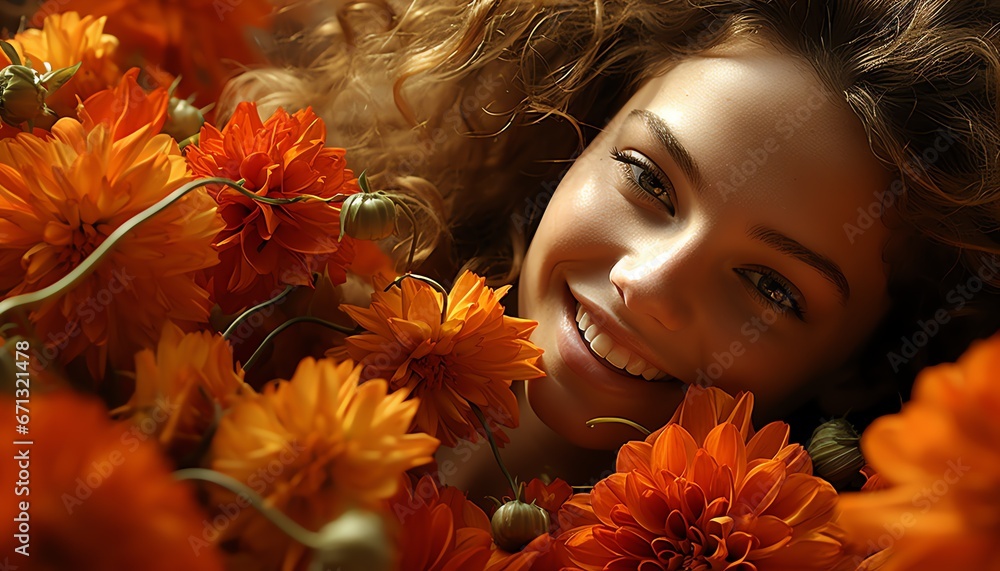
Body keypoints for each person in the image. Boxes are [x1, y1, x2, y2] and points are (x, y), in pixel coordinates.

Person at [222, 0, 1000, 496]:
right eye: (650, 182)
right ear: (579, 127)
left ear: (860, 371)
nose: (649, 283)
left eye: (770, 285)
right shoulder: (237, 303)